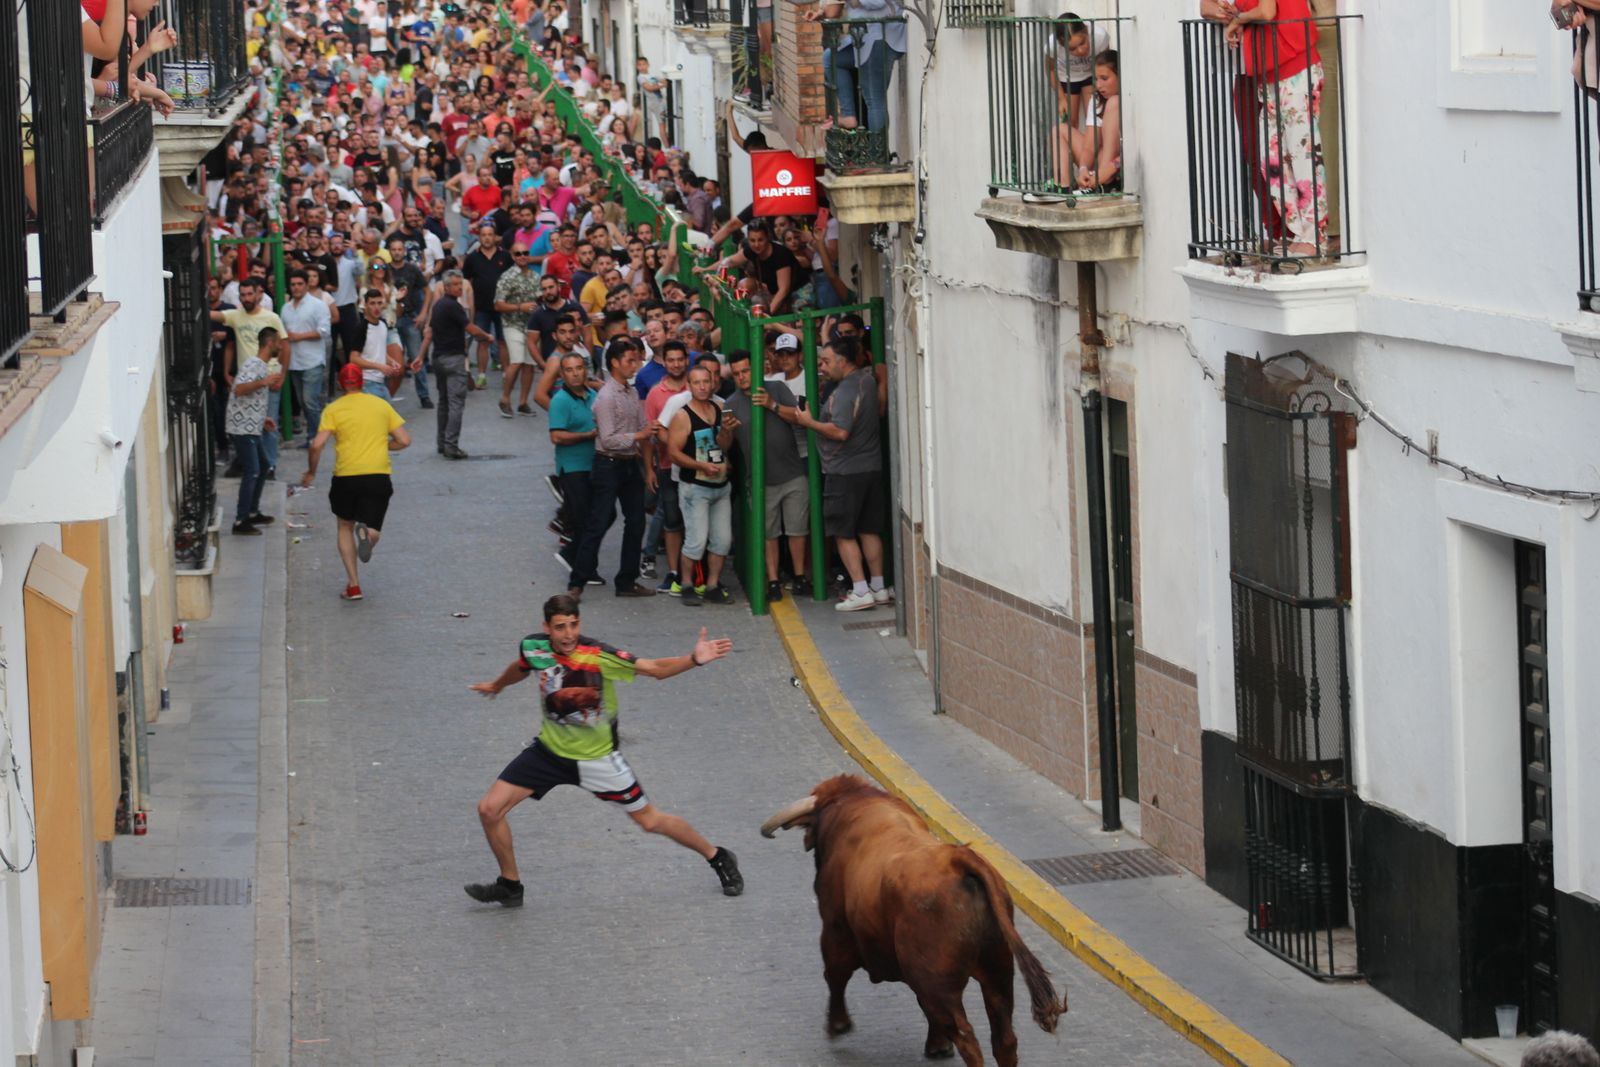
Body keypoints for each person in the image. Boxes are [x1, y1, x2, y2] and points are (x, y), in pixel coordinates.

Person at [463, 593, 744, 907]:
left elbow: (654, 669)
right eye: (560, 627)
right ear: (547, 627)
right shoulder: (534, 647)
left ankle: (718, 856)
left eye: (573, 625)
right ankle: (511, 885)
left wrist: (693, 660)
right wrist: (498, 684)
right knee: (489, 809)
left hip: (598, 761)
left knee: (650, 821)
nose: (568, 634)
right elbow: (521, 666)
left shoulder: (598, 656)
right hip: (549, 753)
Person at [1214, 0, 1326, 257]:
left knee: (1302, 154)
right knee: (1270, 156)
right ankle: (1297, 231)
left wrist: (1239, 20)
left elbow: (1267, 11)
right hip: (1272, 71)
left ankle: (1313, 236)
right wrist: (1241, 22)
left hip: (1296, 67)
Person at [792, 335, 890, 611]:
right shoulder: (867, 381)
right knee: (868, 529)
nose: (821, 367)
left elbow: (841, 431)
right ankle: (878, 587)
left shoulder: (846, 391)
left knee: (843, 532)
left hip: (844, 471)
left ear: (842, 361)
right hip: (870, 468)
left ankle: (860, 590)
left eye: (825, 361)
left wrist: (809, 422)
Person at [300, 363, 412, 601]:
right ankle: (369, 537)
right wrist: (384, 445)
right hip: (377, 475)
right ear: (362, 381)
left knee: (344, 526)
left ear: (341, 384)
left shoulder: (333, 409)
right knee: (372, 526)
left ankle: (353, 585)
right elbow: (404, 440)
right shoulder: (381, 405)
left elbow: (317, 444)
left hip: (346, 477)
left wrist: (311, 471)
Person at [568, 338, 657, 599]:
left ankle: (626, 581)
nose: (635, 365)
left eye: (636, 359)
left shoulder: (631, 392)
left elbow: (642, 425)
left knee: (636, 521)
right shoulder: (606, 397)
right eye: (630, 360)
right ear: (615, 363)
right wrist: (639, 436)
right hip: (608, 463)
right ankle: (577, 582)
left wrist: (646, 442)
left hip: (629, 464)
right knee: (597, 522)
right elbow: (607, 439)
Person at [732, 351, 811, 603]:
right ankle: (773, 580)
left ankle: (799, 577)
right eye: (736, 373)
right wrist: (724, 431)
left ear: (755, 369)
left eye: (745, 371)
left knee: (798, 530)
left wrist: (771, 405)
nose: (741, 377)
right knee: (769, 534)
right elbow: (724, 445)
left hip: (792, 473)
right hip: (760, 480)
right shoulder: (731, 403)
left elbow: (798, 418)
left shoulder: (777, 388)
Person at [666, 363, 739, 606]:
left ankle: (712, 585)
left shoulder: (720, 408)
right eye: (696, 382)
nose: (702, 387)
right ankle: (686, 583)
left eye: (705, 382)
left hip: (720, 486)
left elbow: (724, 445)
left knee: (722, 540)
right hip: (694, 488)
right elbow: (673, 453)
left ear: (713, 383)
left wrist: (727, 432)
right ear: (689, 385)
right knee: (696, 541)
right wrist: (701, 466)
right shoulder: (682, 415)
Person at [420, 269, 494, 459]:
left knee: (444, 402)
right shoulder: (453, 306)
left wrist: (421, 357)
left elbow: (429, 333)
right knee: (455, 404)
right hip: (453, 358)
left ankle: (441, 442)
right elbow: (470, 327)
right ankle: (451, 445)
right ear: (445, 287)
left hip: (438, 358)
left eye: (460, 284)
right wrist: (486, 336)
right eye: (455, 285)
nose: (459, 288)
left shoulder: (438, 306)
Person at [224, 327, 286, 536]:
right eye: (278, 342)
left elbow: (249, 397)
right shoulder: (255, 365)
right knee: (252, 470)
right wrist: (264, 382)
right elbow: (239, 389)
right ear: (270, 343)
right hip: (242, 429)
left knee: (264, 465)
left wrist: (262, 419)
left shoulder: (258, 365)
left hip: (251, 426)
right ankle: (241, 521)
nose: (280, 346)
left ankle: (252, 512)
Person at [642, 341, 690, 594]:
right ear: (665, 362)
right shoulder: (655, 394)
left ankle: (693, 574)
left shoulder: (698, 387)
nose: (675, 364)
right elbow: (650, 435)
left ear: (686, 360)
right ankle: (673, 573)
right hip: (666, 466)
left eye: (679, 359)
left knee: (692, 522)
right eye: (670, 360)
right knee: (672, 522)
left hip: (696, 470)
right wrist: (649, 470)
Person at [548, 351, 598, 573]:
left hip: (595, 464)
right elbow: (556, 436)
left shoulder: (593, 395)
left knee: (601, 515)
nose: (575, 374)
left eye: (579, 368)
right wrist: (586, 435)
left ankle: (578, 558)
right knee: (583, 518)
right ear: (562, 374)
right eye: (569, 370)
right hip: (573, 467)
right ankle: (583, 565)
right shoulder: (560, 400)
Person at [280, 271, 333, 447]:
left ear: (306, 284)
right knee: (304, 401)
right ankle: (313, 435)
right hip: (294, 362)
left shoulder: (318, 305)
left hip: (313, 360)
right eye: (293, 284)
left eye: (299, 284)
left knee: (310, 401)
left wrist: (299, 337)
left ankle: (315, 437)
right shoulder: (285, 308)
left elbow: (324, 331)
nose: (295, 287)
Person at [493, 241, 543, 417]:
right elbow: (498, 305)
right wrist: (520, 307)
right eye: (518, 254)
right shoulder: (507, 277)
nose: (522, 256)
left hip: (531, 326)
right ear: (513, 256)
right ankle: (505, 398)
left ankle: (523, 402)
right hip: (512, 324)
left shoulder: (535, 276)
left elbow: (539, 297)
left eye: (525, 252)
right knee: (516, 361)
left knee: (529, 364)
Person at [462, 222, 513, 387]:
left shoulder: (505, 256)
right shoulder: (472, 258)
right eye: (483, 235)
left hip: (502, 305)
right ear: (479, 237)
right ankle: (482, 375)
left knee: (503, 341)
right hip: (481, 307)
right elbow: (466, 282)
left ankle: (506, 373)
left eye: (490, 234)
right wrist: (468, 304)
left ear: (494, 236)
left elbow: (511, 278)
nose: (487, 238)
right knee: (482, 341)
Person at [1069, 50, 1121, 192]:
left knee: (1114, 102)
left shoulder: (1125, 98)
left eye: (1104, 79)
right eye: (1096, 79)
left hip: (1118, 164)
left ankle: (1103, 183)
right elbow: (1090, 146)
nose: (1098, 85)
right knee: (1060, 131)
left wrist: (1111, 167)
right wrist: (1083, 169)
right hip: (1104, 161)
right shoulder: (1097, 99)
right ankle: (1063, 186)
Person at [350, 287, 404, 398]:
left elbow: (379, 350)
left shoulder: (383, 325)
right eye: (372, 303)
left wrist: (392, 362)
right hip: (366, 382)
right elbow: (354, 358)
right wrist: (379, 367)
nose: (376, 307)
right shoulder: (362, 328)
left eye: (379, 303)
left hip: (381, 382)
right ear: (365, 305)